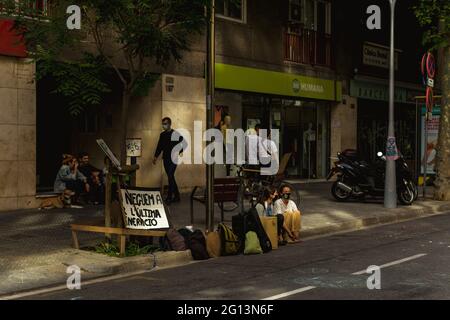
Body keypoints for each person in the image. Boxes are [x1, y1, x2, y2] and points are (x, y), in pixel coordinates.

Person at [153, 117, 187, 204]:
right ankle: (177, 196)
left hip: (174, 159)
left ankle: (169, 197)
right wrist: (155, 156)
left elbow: (184, 143)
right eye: (163, 124)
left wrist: (179, 152)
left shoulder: (175, 133)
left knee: (170, 176)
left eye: (165, 123)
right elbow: (159, 146)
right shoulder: (162, 135)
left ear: (169, 124)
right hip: (166, 159)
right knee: (171, 177)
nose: (164, 125)